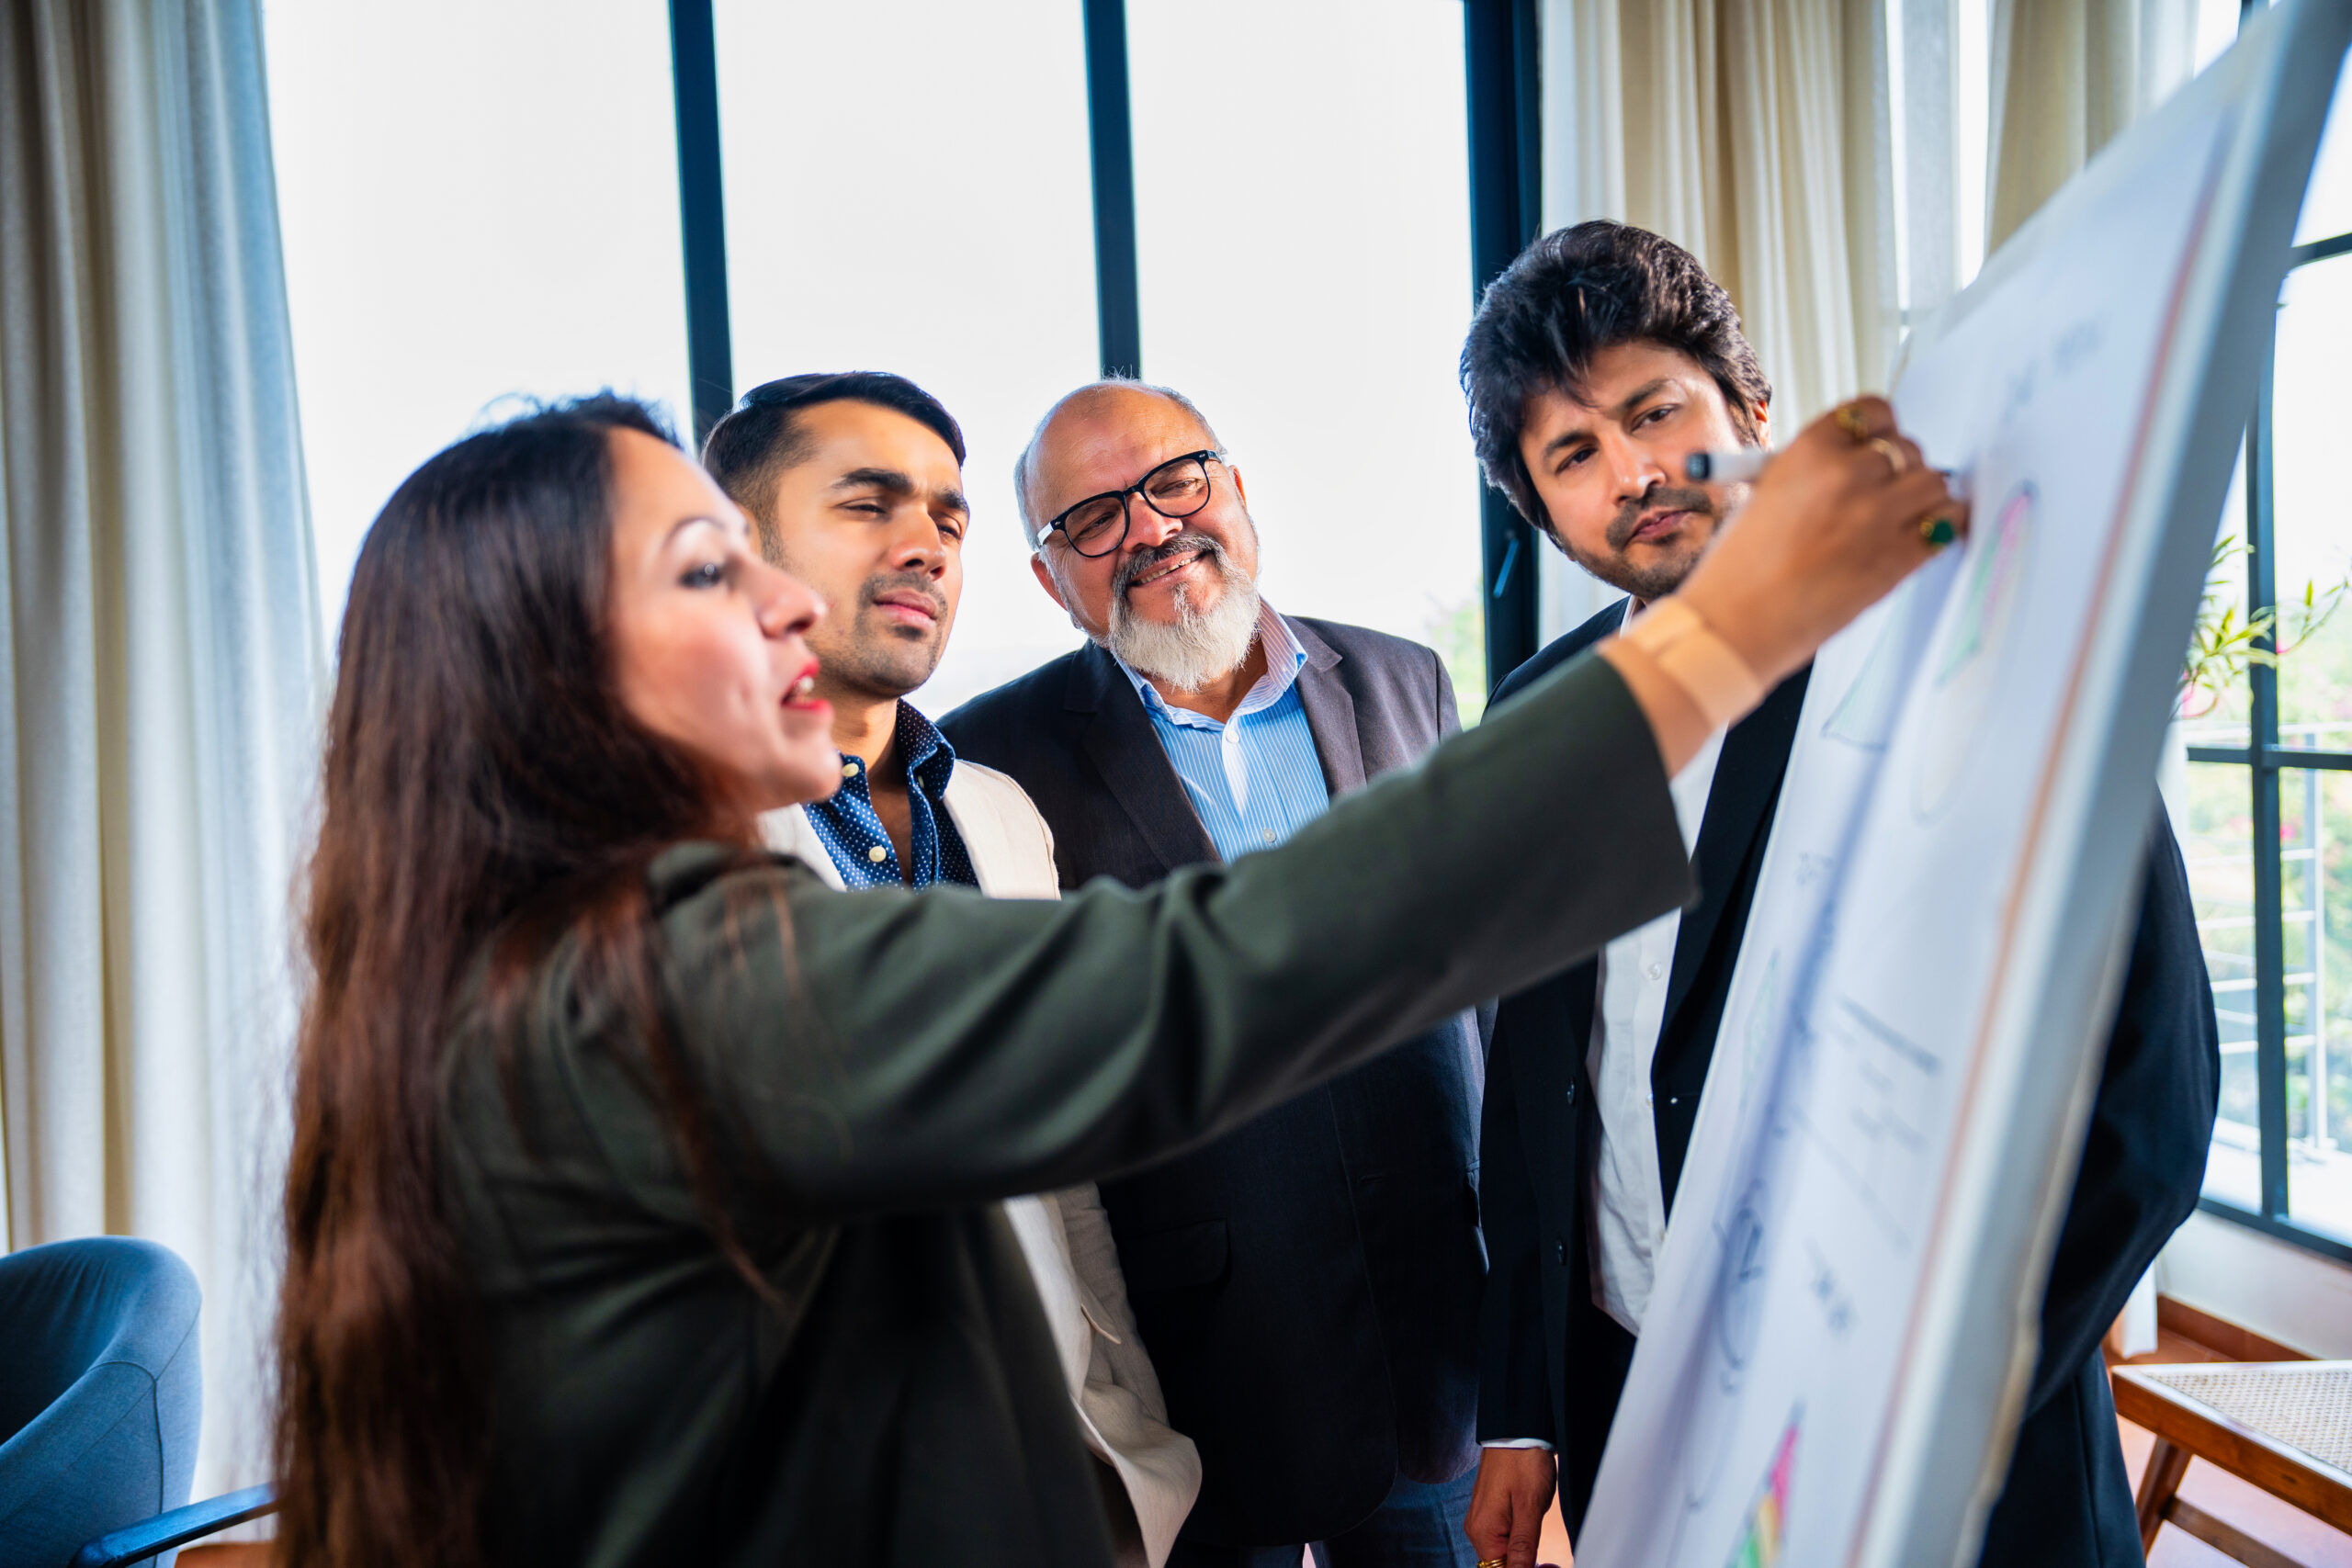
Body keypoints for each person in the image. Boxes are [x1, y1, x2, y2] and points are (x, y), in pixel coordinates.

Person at [270, 388, 1955, 1568]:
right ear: (552, 673)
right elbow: (1203, 977)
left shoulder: (544, 975)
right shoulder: (652, 989)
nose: (794, 601)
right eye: (711, 567)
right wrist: (1725, 632)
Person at [1456, 220, 2218, 1568]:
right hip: (1649, 1410)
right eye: (1574, 454)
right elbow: (1532, 1092)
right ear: (1539, 507)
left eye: (1655, 412)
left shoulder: (1967, 647)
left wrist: (1956, 1393)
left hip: (1945, 1447)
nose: (1633, 472)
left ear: (1750, 410)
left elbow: (2150, 1086)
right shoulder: (1539, 718)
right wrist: (1521, 1408)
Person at [941, 378, 1484, 1566]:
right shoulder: (990, 761)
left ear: (1234, 487)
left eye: (1173, 480)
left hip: (1428, 1357)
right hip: (1197, 1378)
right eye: (1090, 519)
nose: (1146, 528)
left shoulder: (1406, 683)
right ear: (1048, 577)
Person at [700, 370, 1200, 1566]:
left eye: (948, 516)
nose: (924, 542)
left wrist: (1124, 1418)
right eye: (867, 506)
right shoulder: (654, 838)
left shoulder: (1000, 814)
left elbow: (1061, 1155)